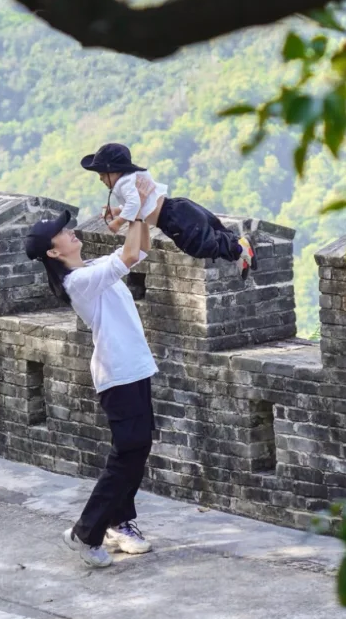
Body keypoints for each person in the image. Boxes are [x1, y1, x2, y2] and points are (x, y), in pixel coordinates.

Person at [24, 194, 158, 569]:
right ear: (53, 253)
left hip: (135, 368)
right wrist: (133, 211)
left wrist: (141, 214)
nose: (69, 232)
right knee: (125, 454)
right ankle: (86, 533)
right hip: (117, 374)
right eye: (61, 233)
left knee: (137, 448)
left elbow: (140, 248)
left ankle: (118, 521)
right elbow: (129, 256)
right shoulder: (78, 281)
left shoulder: (94, 267)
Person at [80, 141, 257, 277]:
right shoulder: (130, 179)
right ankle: (238, 252)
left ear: (114, 171)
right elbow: (135, 203)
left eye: (103, 174)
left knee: (201, 245)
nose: (101, 179)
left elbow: (135, 205)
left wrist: (118, 222)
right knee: (212, 230)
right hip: (177, 209)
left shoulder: (124, 183)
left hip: (173, 217)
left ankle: (240, 248)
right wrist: (118, 210)